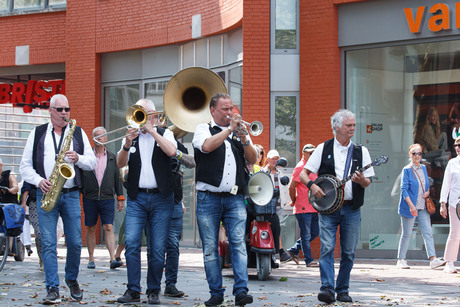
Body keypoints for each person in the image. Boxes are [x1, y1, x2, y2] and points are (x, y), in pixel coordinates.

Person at [19, 94, 96, 304]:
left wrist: (78, 158)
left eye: (67, 109)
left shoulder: (78, 133)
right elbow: (24, 167)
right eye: (60, 109)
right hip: (46, 192)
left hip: (71, 194)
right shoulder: (37, 133)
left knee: (74, 242)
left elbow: (92, 162)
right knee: (49, 243)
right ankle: (52, 288)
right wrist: (38, 180)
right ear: (50, 111)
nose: (64, 113)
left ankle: (72, 280)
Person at [299, 109, 374, 304]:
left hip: (352, 208)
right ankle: (327, 288)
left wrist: (362, 180)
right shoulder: (323, 148)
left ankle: (342, 290)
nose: (352, 128)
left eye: (354, 125)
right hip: (328, 209)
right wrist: (312, 186)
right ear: (337, 127)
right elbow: (303, 174)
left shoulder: (361, 151)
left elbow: (368, 183)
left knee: (348, 252)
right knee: (327, 248)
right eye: (349, 125)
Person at [192, 92, 257, 306]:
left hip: (235, 197)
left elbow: (253, 158)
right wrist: (229, 130)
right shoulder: (203, 129)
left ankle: (241, 292)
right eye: (225, 109)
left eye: (231, 108)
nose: (230, 113)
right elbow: (208, 146)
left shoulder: (238, 134)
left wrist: (244, 138)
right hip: (208, 198)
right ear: (213, 110)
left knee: (238, 244)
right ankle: (216, 293)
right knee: (210, 246)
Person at [116, 98, 177, 305]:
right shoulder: (131, 136)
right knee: (132, 244)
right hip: (137, 197)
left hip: (161, 198)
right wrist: (126, 143)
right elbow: (120, 163)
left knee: (157, 248)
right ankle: (133, 289)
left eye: (144, 113)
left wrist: (152, 131)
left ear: (153, 115)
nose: (140, 118)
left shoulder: (165, 133)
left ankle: (153, 290)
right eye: (138, 113)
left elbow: (171, 151)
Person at [396, 144, 446, 270]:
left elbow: (426, 185)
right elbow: (404, 190)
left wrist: (427, 192)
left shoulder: (424, 168)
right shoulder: (407, 170)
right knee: (406, 234)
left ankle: (433, 259)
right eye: (414, 153)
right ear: (410, 155)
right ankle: (401, 260)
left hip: (422, 206)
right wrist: (412, 206)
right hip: (410, 207)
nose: (417, 156)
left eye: (419, 153)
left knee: (428, 232)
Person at [81, 127, 125, 270]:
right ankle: (91, 259)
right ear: (92, 138)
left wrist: (120, 197)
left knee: (108, 227)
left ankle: (112, 258)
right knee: (91, 227)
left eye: (102, 136)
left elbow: (118, 179)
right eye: (96, 136)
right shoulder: (87, 157)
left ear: (106, 138)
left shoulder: (112, 157)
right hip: (90, 197)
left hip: (107, 197)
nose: (99, 138)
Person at [162, 141, 195, 297]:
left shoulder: (178, 145)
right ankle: (153, 286)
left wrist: (175, 151)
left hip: (175, 201)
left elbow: (192, 163)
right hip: (156, 201)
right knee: (155, 248)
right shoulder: (153, 140)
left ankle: (170, 284)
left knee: (173, 246)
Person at [284, 144, 319, 267]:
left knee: (315, 232)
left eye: (314, 153)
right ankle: (308, 260)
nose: (312, 155)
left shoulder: (313, 168)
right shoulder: (300, 167)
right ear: (303, 154)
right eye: (310, 153)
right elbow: (291, 187)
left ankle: (294, 249)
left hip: (314, 206)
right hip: (303, 207)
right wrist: (294, 201)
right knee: (306, 234)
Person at [263, 150, 291, 265]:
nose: (274, 161)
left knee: (276, 227)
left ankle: (276, 252)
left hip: (279, 204)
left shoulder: (280, 173)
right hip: (267, 206)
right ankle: (277, 252)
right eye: (272, 159)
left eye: (276, 159)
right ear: (268, 160)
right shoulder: (264, 172)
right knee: (271, 228)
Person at [439, 136, 460, 273]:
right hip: (455, 202)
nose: (458, 148)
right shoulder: (452, 163)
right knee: (455, 233)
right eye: (456, 145)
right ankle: (449, 261)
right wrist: (443, 203)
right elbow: (446, 184)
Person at [20, 181, 43, 270]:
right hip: (35, 202)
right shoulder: (33, 168)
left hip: (53, 202)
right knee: (39, 232)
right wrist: (23, 202)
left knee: (51, 232)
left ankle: (49, 258)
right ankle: (42, 258)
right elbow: (26, 186)